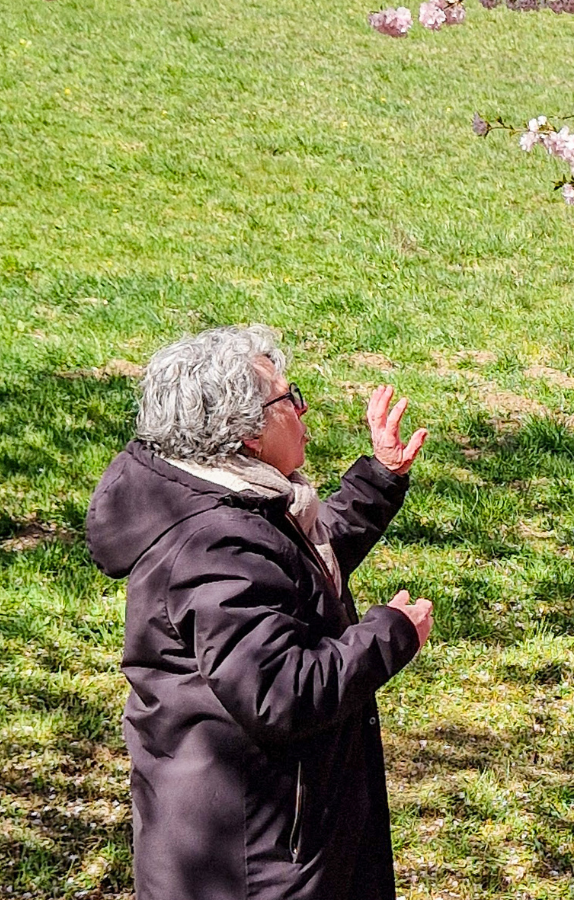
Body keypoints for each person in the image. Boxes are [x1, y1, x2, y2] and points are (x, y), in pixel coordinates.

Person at [85, 325, 434, 900]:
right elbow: (281, 691)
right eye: (287, 398)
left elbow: (292, 569)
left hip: (267, 832)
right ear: (246, 433)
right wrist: (390, 634)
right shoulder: (214, 542)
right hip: (251, 859)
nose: (302, 408)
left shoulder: (218, 501)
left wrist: (379, 477)